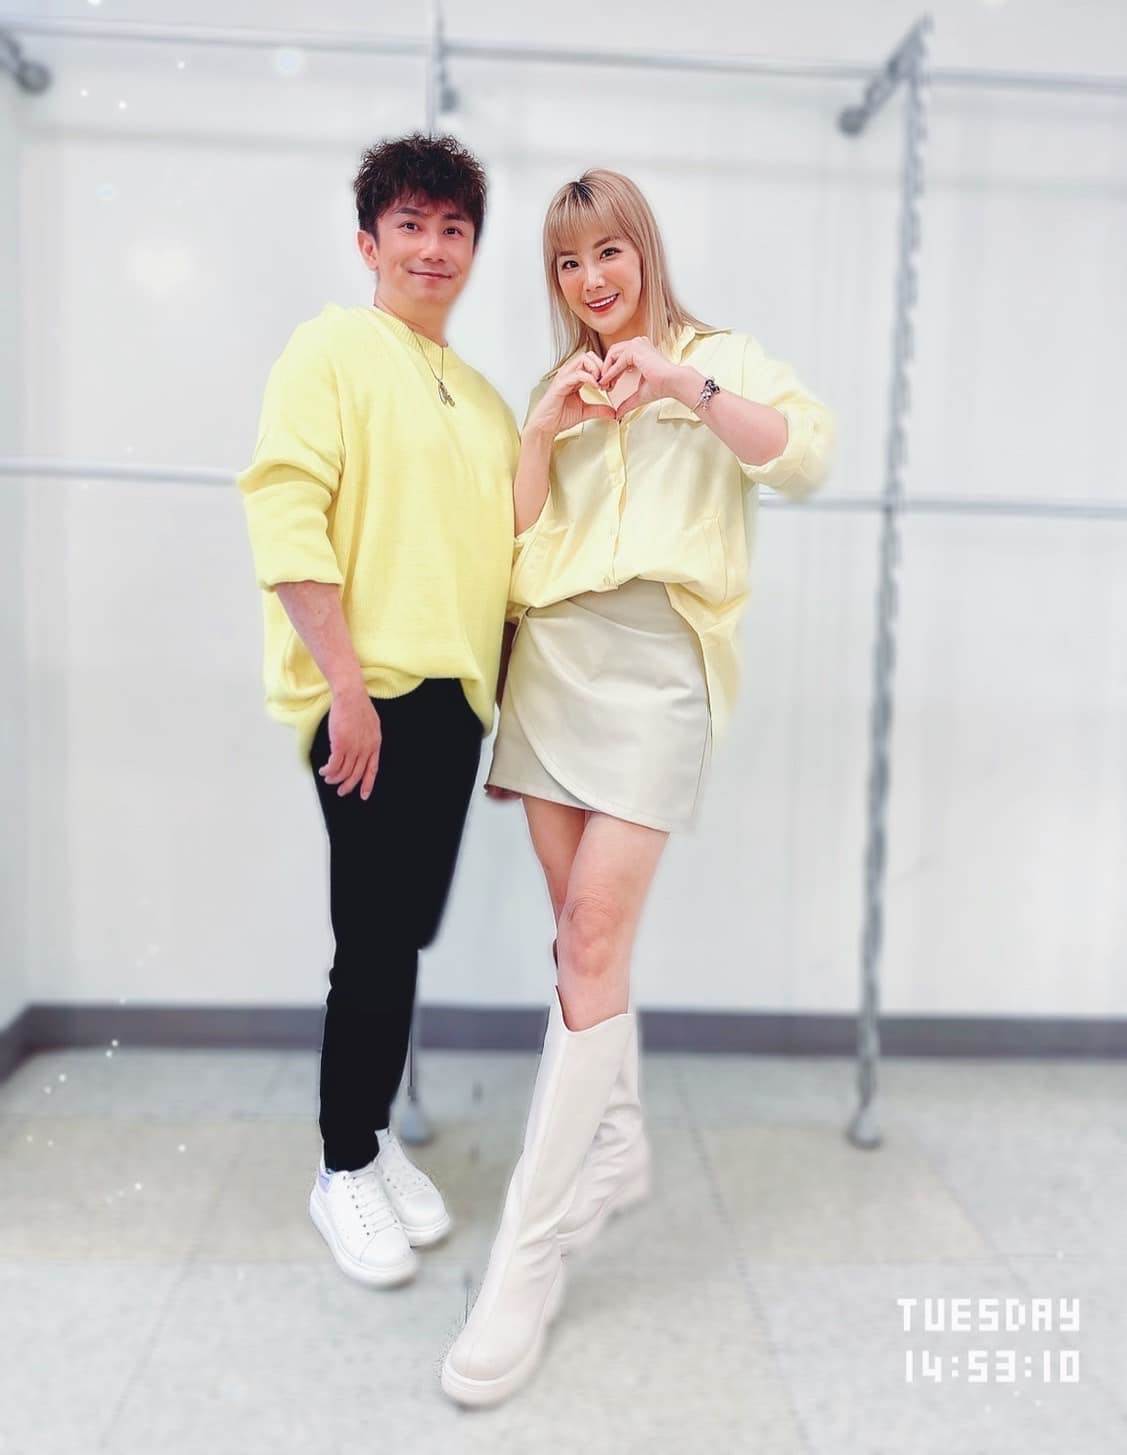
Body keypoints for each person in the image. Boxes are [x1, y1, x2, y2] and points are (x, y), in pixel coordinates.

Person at [441, 169, 836, 1406]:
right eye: (566, 263)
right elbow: (509, 546)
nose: (589, 279)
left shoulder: (714, 361)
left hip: (659, 663)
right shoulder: (553, 387)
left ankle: (526, 1255)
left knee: (595, 933)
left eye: (605, 251)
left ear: (642, 251)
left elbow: (803, 457)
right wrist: (538, 435)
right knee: (579, 944)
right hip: (552, 663)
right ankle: (613, 1142)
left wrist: (682, 386)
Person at [236, 134, 520, 1289]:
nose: (432, 247)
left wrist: (507, 718)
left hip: (452, 702)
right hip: (363, 698)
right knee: (371, 934)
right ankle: (342, 1164)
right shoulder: (331, 350)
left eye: (453, 228)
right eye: (410, 224)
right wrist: (345, 690)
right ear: (369, 242)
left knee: (403, 931)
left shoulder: (486, 403)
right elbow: (284, 512)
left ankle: (371, 1133)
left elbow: (509, 565)